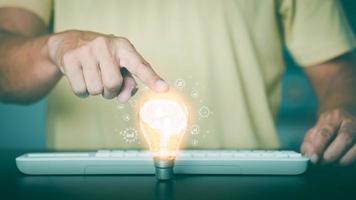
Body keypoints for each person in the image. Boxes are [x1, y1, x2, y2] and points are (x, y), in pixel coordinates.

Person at [0, 0, 355, 166]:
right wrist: (53, 47)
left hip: (246, 185)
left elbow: (338, 71)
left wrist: (345, 110)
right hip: (84, 185)